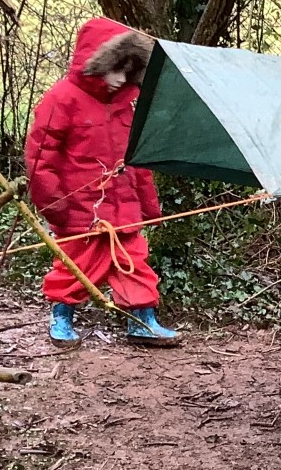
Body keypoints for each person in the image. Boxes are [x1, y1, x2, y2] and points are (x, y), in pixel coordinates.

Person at [26, 17, 179, 347]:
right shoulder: (61, 99)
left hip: (123, 208)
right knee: (74, 265)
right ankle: (62, 317)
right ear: (97, 61)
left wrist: (148, 206)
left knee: (134, 264)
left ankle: (142, 321)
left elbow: (136, 161)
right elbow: (42, 159)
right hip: (80, 211)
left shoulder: (127, 103)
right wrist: (56, 207)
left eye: (128, 71)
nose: (120, 79)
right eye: (115, 69)